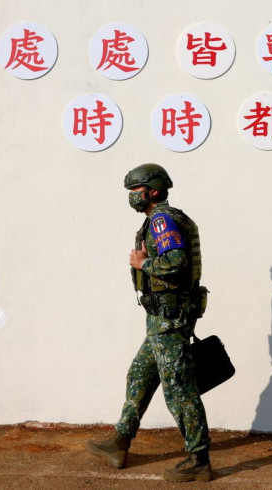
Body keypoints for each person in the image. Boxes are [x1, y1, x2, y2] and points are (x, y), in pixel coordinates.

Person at [86, 163, 212, 482]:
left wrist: (145, 263)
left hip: (169, 319)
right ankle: (120, 440)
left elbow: (176, 260)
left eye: (136, 191)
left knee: (178, 387)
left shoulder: (161, 219)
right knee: (140, 373)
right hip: (161, 318)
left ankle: (199, 460)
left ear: (153, 191)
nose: (132, 197)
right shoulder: (161, 218)